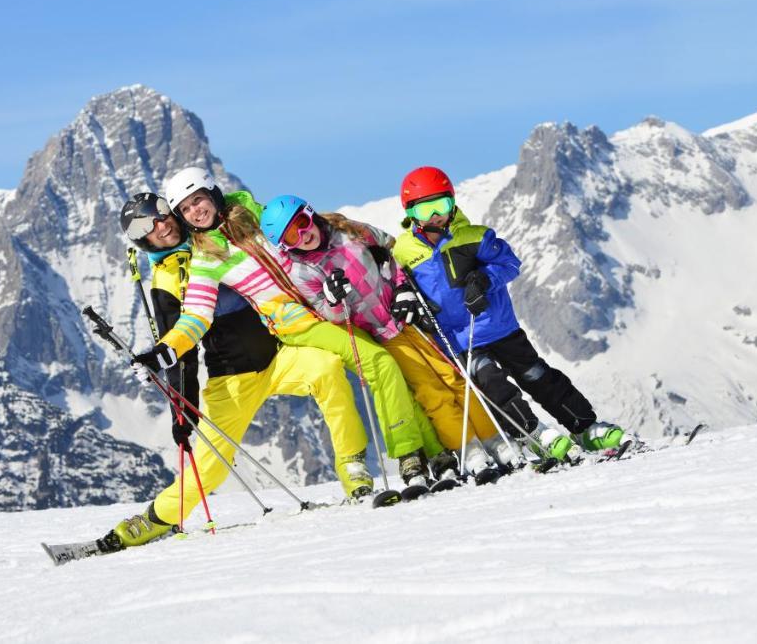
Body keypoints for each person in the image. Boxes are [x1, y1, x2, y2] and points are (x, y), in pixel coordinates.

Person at [133, 168, 444, 493]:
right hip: (298, 323)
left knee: (390, 367)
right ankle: (409, 457)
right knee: (378, 363)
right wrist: (163, 353)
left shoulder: (254, 217)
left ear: (212, 192)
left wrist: (369, 247)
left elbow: (300, 227)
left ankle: (434, 453)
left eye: (198, 199)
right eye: (185, 209)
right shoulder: (205, 261)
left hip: (332, 307)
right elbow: (195, 317)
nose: (196, 210)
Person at [106, 192, 374, 549]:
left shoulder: (219, 232)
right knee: (211, 467)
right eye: (145, 225)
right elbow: (181, 350)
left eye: (160, 213)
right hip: (231, 378)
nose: (159, 225)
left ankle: (353, 469)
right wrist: (182, 412)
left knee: (326, 369)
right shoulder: (166, 280)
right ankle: (153, 520)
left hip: (277, 356)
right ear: (140, 239)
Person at [258, 194, 510, 484]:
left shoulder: (348, 232)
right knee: (430, 390)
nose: (303, 236)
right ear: (285, 247)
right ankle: (468, 449)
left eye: (302, 224)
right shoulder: (302, 272)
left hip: (407, 315)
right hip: (383, 333)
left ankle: (495, 440)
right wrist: (332, 298)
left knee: (453, 376)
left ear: (310, 214)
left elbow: (393, 249)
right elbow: (332, 316)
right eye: (291, 237)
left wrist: (403, 288)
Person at [390, 166, 637, 461]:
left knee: (537, 375)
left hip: (499, 326)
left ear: (452, 203)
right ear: (410, 213)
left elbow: (510, 264)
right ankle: (532, 434)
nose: (434, 216)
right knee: (492, 383)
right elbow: (397, 282)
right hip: (459, 340)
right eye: (425, 209)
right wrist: (406, 297)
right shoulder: (403, 251)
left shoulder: (474, 237)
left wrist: (484, 280)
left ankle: (585, 427)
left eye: (441, 206)